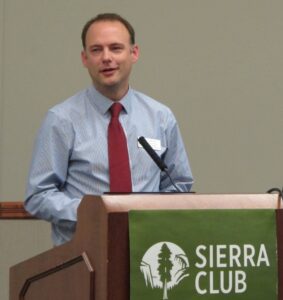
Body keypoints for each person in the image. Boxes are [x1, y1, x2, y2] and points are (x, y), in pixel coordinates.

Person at [25, 13, 194, 246]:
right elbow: (38, 196)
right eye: (96, 50)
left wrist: (145, 214)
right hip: (82, 257)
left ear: (134, 53)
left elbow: (180, 186)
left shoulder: (160, 117)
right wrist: (93, 213)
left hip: (147, 250)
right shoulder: (61, 120)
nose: (106, 58)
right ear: (85, 58)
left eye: (115, 48)